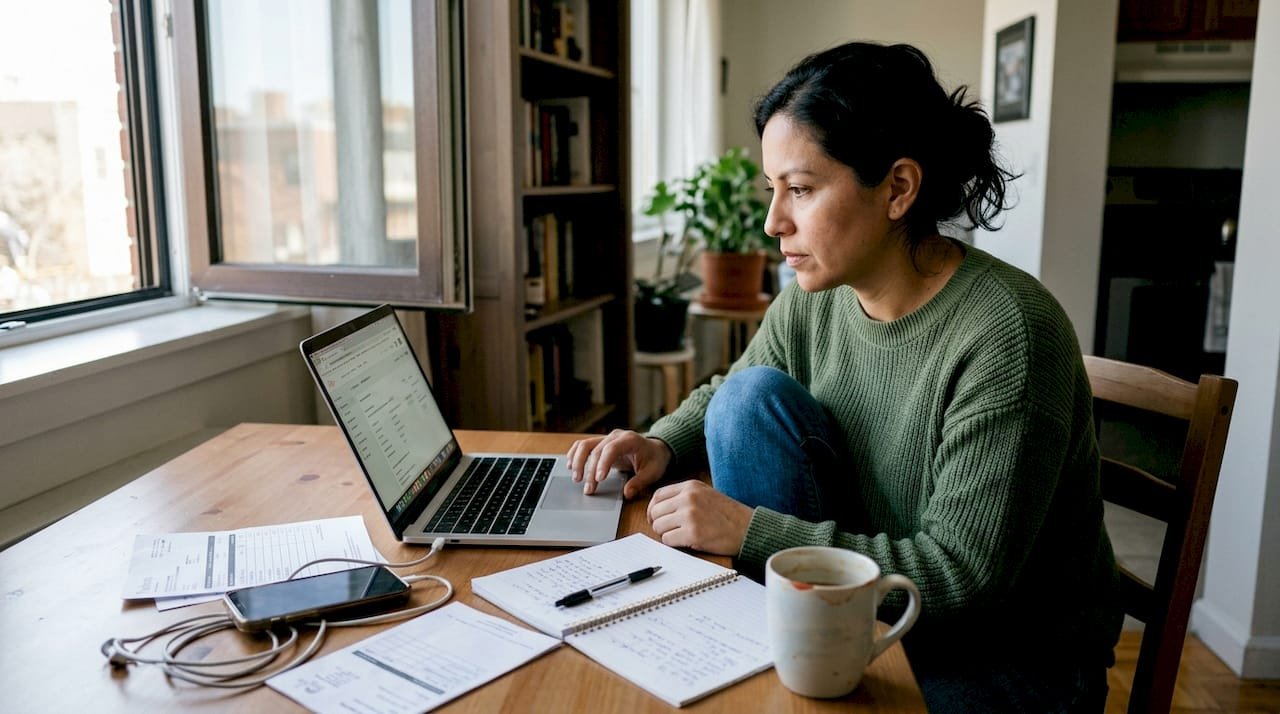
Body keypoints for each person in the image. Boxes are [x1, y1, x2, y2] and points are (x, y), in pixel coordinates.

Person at [569, 41, 1121, 712]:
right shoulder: (820, 293)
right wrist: (660, 443)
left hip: (1002, 657)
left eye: (799, 189)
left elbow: (961, 580)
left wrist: (749, 532)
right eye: (773, 190)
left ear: (898, 188)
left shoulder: (1009, 334)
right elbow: (733, 385)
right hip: (867, 612)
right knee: (746, 399)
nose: (775, 221)